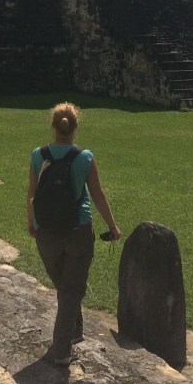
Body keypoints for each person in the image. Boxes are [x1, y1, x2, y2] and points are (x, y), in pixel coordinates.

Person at [26, 102, 121, 366]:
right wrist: (112, 226)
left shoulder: (38, 155)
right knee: (70, 290)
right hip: (78, 229)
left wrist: (31, 222)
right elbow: (98, 195)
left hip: (46, 230)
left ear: (53, 126)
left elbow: (32, 193)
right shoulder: (84, 157)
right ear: (75, 127)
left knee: (65, 286)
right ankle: (61, 349)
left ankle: (75, 331)